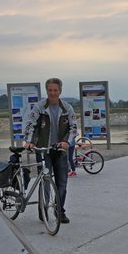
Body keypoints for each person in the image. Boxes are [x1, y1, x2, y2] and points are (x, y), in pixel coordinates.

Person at [23, 78, 78, 223]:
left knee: (62, 183)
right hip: (43, 150)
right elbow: (30, 125)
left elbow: (73, 128)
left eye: (55, 90)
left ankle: (59, 211)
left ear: (60, 91)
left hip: (60, 151)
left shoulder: (67, 108)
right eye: (50, 90)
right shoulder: (39, 107)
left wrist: (67, 142)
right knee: (45, 182)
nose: (53, 93)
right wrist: (29, 142)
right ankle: (43, 209)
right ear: (46, 91)